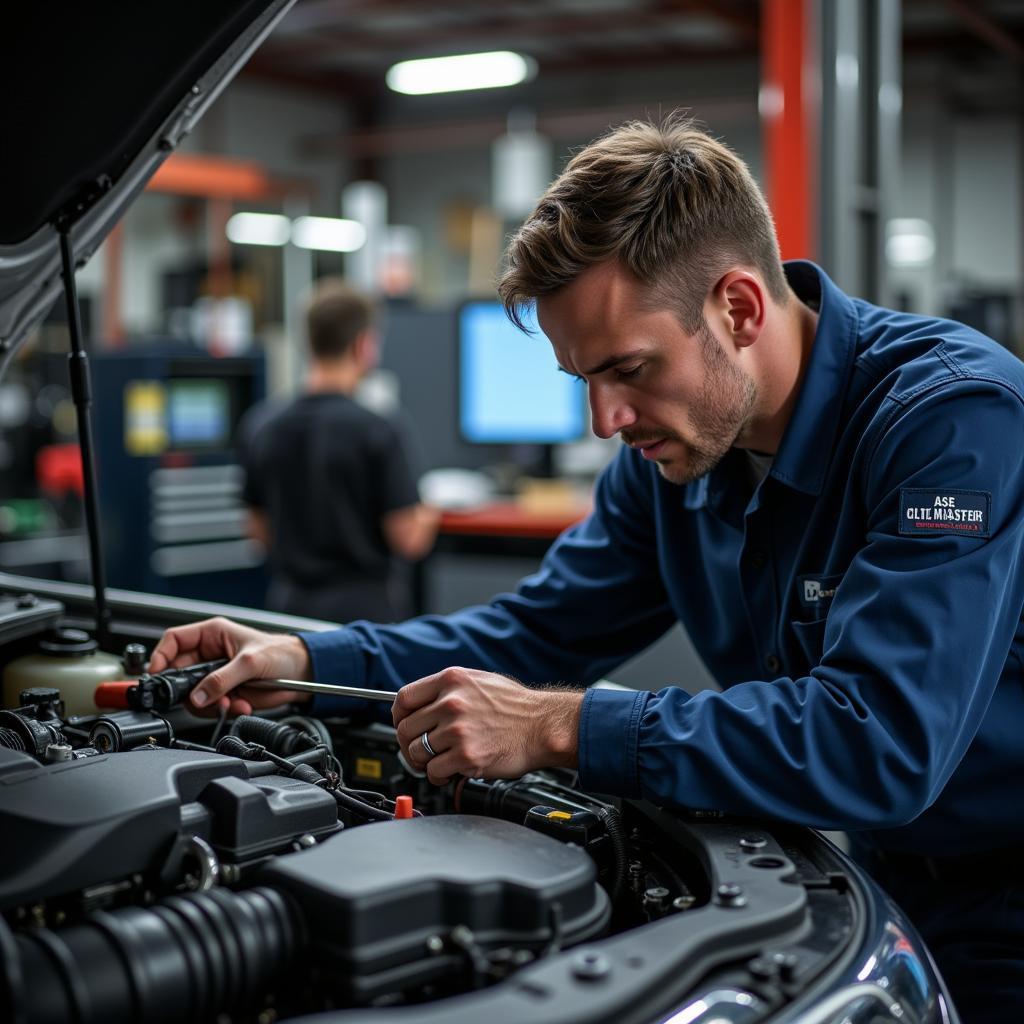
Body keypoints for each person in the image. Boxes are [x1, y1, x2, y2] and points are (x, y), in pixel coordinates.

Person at [153, 116, 1024, 1020]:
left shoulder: (949, 422)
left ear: (739, 308)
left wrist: (565, 725)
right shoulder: (673, 460)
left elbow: (877, 739)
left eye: (630, 369)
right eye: (585, 382)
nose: (606, 421)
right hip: (872, 863)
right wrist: (309, 664)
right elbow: (529, 631)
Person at [237, 278, 439, 623]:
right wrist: (431, 511)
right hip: (365, 618)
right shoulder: (379, 428)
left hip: (288, 611)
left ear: (310, 342)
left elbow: (257, 530)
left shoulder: (261, 425)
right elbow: (408, 539)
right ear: (363, 345)